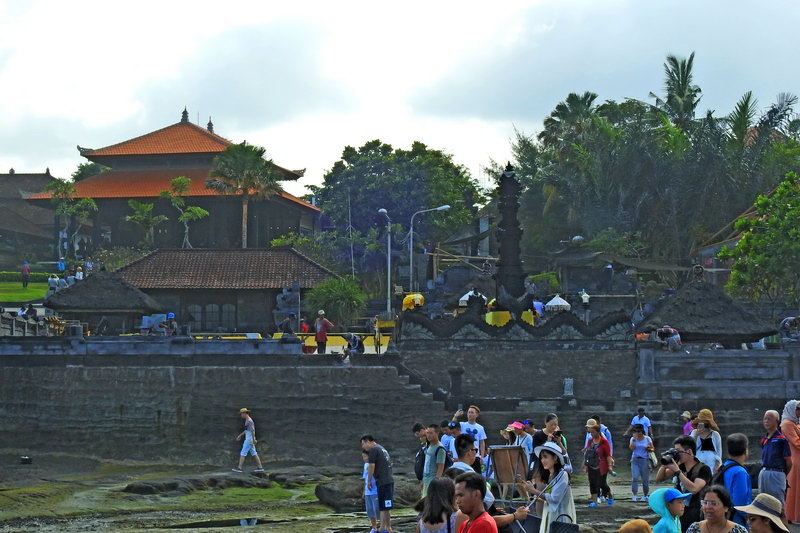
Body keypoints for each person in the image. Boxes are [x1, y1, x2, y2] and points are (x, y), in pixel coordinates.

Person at [656, 435, 712, 531]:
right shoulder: (680, 466)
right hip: (680, 515)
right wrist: (665, 463)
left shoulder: (703, 468)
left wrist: (678, 472)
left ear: (689, 452)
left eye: (678, 451)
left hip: (697, 516)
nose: (676, 454)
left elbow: (694, 489)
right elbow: (659, 478)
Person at [525, 441, 576, 533]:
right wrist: (537, 499)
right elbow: (550, 499)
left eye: (545, 457)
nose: (543, 460)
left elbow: (554, 499)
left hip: (560, 518)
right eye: (541, 458)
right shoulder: (551, 476)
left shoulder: (562, 475)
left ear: (555, 458)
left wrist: (533, 490)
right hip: (551, 516)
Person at [759, 409, 792, 507]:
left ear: (777, 421)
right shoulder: (764, 439)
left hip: (777, 473)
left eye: (769, 419)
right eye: (765, 419)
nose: (766, 421)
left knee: (778, 505)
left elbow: (789, 462)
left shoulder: (781, 439)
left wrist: (782, 474)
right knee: (762, 504)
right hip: (764, 472)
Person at [361, 434, 394, 533]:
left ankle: (383, 528)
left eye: (363, 444)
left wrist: (369, 480)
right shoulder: (382, 448)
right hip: (388, 480)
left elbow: (371, 466)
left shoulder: (374, 450)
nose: (363, 447)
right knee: (386, 506)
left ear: (368, 441)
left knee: (384, 506)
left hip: (383, 481)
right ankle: (387, 527)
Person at [718, 433, 752, 527]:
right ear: (746, 451)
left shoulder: (723, 467)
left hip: (722, 518)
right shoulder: (740, 472)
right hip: (736, 521)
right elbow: (740, 503)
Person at [584, 420, 614, 507]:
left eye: (593, 432)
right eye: (591, 432)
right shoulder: (590, 441)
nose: (591, 434)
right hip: (591, 465)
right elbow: (588, 453)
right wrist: (585, 465)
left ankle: (610, 495)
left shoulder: (604, 442)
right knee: (592, 483)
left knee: (601, 483)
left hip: (602, 465)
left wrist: (610, 466)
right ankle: (595, 501)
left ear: (598, 432)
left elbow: (608, 455)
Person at [779, 400, 800, 523]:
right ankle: (794, 515)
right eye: (797, 409)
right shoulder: (787, 424)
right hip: (795, 459)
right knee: (795, 488)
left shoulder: (795, 424)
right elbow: (796, 443)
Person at [232, 408, 264, 473]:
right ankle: (260, 467)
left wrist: (253, 439)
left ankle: (239, 468)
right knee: (254, 453)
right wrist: (240, 435)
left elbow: (252, 431)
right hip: (249, 438)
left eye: (241, 414)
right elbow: (247, 430)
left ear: (245, 413)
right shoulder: (247, 420)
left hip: (249, 439)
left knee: (243, 453)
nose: (241, 415)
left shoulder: (249, 421)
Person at [629, 423, 654, 502]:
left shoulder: (647, 439)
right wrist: (634, 439)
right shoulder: (633, 438)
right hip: (635, 459)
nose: (638, 433)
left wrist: (649, 448)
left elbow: (653, 449)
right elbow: (631, 448)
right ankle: (634, 495)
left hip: (644, 460)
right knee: (635, 477)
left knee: (645, 479)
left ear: (642, 431)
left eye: (639, 432)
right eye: (636, 432)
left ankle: (645, 495)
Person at [422, 424, 447, 497]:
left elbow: (440, 468)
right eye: (427, 433)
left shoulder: (440, 449)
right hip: (426, 480)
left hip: (432, 482)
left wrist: (436, 483)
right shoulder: (429, 446)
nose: (428, 435)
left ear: (437, 433)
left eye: (431, 433)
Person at [362, 450, 379, 533]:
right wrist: (363, 491)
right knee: (370, 509)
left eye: (365, 456)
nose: (364, 459)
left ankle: (383, 525)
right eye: (363, 457)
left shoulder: (375, 464)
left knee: (377, 509)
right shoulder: (365, 465)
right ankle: (374, 527)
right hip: (368, 491)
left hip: (375, 491)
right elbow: (365, 478)